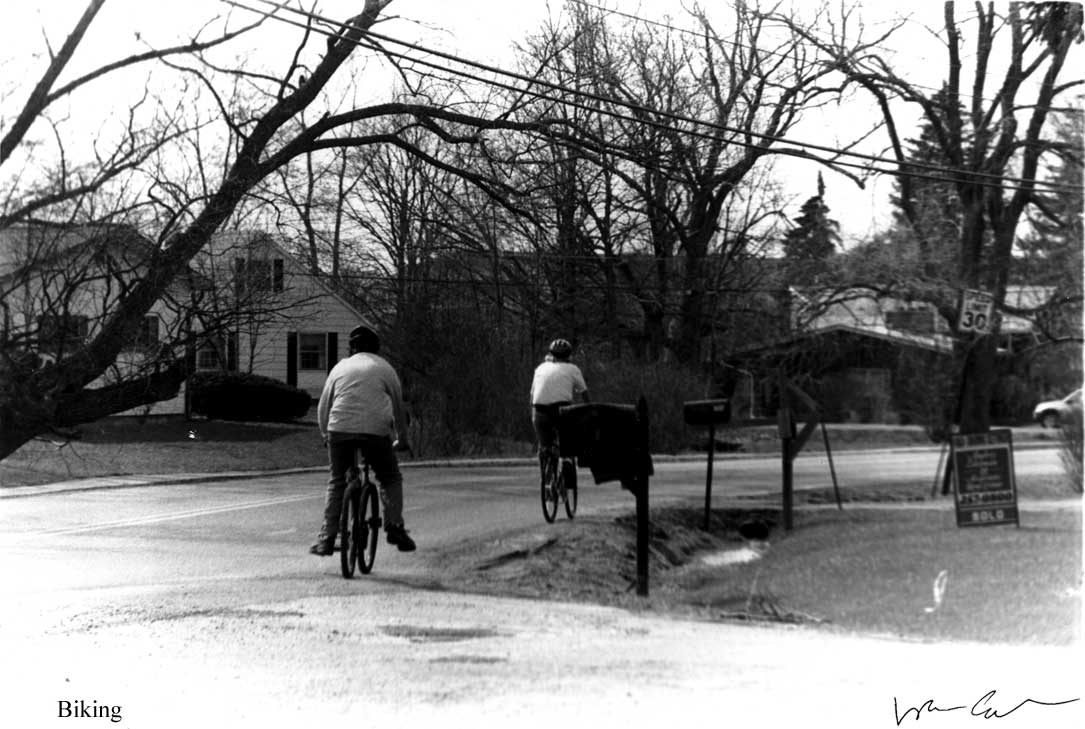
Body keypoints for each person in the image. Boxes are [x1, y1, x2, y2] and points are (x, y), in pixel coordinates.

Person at [310, 324, 415, 555]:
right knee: (390, 477)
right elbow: (398, 409)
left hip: (340, 429)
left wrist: (326, 435)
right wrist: (402, 439)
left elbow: (322, 407)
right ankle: (395, 527)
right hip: (376, 432)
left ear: (351, 348)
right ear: (376, 348)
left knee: (338, 481)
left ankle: (327, 538)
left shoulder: (340, 368)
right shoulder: (385, 368)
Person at [529, 338, 589, 477]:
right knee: (568, 434)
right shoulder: (573, 369)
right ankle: (567, 458)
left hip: (540, 411)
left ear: (551, 354)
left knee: (545, 445)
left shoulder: (540, 368)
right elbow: (584, 393)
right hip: (561, 411)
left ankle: (546, 477)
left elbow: (532, 397)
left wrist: (534, 418)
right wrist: (588, 409)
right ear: (569, 355)